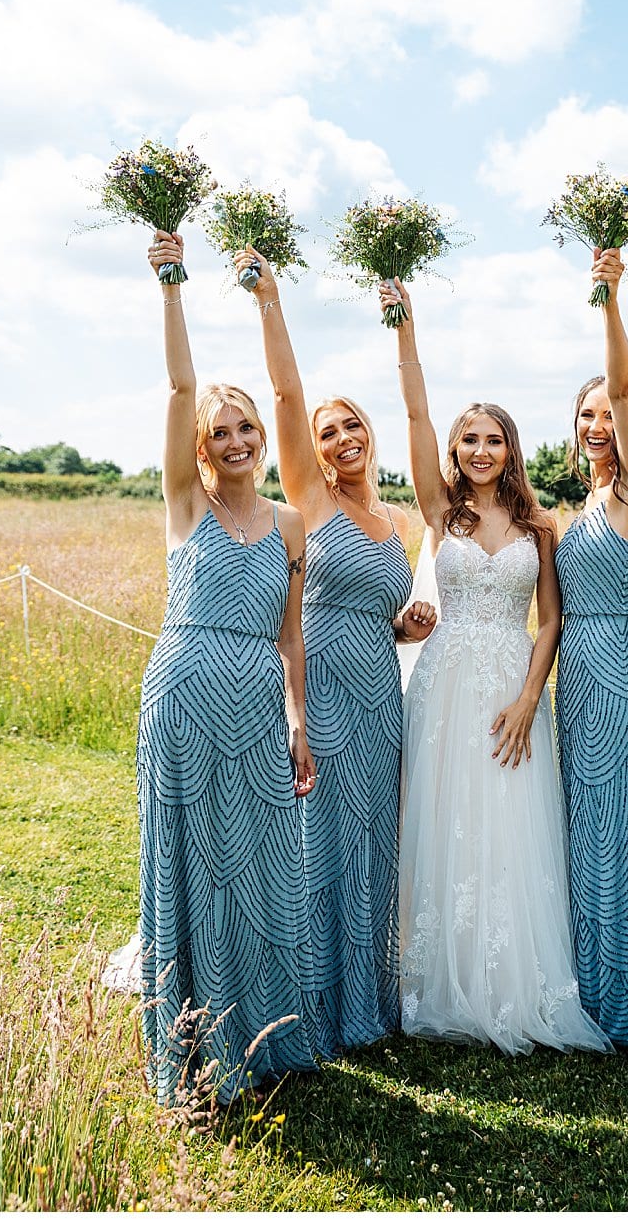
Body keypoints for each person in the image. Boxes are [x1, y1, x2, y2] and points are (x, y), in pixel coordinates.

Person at [380, 276, 611, 1057]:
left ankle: (513, 976)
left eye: (494, 438)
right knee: (444, 817)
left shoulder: (540, 525)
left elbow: (551, 619)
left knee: (511, 822)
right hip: (443, 681)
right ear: (452, 450)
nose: (481, 450)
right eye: (468, 439)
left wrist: (526, 698)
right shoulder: (441, 511)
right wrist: (403, 325)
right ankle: (436, 973)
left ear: (510, 447)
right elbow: (412, 409)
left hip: (511, 681)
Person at [135, 228, 320, 1106]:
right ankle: (191, 1043)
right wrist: (173, 284)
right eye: (224, 430)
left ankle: (263, 1031)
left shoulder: (289, 524)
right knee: (192, 858)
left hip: (256, 700)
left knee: (258, 861)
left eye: (247, 425)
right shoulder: (184, 503)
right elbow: (179, 384)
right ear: (202, 448)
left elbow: (291, 637)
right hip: (183, 691)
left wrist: (297, 720)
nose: (241, 438)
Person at [237, 246, 434, 1056]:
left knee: (370, 844)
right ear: (312, 451)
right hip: (319, 693)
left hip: (381, 694)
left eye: (352, 423)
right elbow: (284, 392)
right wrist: (270, 300)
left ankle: (366, 999)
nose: (343, 435)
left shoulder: (393, 519)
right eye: (329, 430)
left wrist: (405, 624)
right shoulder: (309, 499)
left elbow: (368, 609)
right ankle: (305, 1005)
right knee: (315, 841)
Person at [555, 248, 628, 1049]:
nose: (599, 425)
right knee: (582, 822)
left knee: (621, 820)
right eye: (586, 416)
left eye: (608, 414)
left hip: (621, 667)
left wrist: (609, 300)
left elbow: (625, 388)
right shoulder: (581, 499)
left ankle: (625, 995)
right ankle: (587, 980)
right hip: (575, 679)